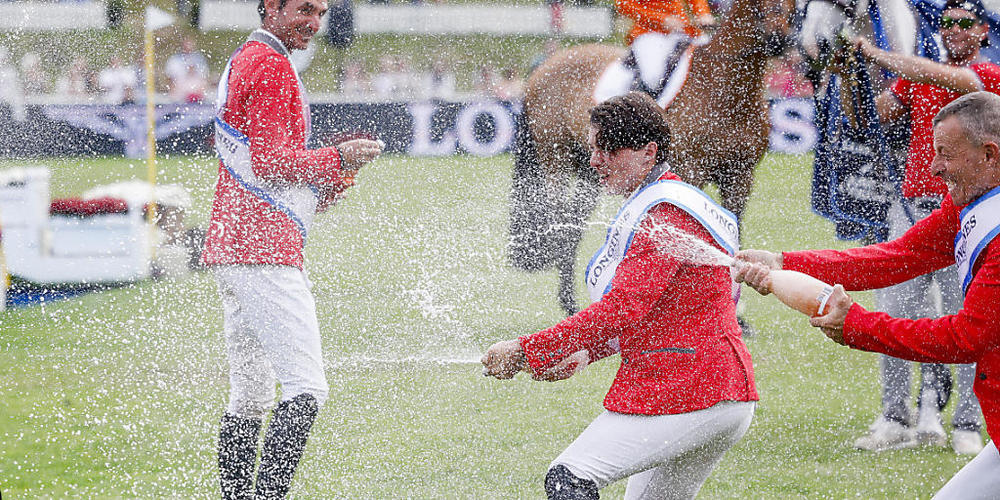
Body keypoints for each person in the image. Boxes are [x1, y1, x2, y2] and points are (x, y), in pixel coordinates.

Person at [482, 92, 757, 500]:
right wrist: (584, 353)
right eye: (593, 147)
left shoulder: (664, 213)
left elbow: (622, 308)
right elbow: (661, 311)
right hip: (718, 389)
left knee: (569, 478)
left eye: (608, 148)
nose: (595, 160)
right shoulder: (672, 201)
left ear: (649, 152)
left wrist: (526, 349)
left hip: (689, 389)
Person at [734, 90, 1000, 499]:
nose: (933, 169)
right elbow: (897, 256)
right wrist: (783, 262)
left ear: (989, 154)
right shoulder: (974, 201)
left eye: (945, 154)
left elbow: (968, 337)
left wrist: (858, 326)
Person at [202, 0, 383, 497]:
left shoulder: (248, 55)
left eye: (322, 12)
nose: (315, 23)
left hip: (235, 244)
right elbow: (271, 165)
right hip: (263, 251)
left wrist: (328, 179)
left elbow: (266, 170)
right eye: (304, 9)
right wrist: (336, 157)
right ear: (271, 6)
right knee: (307, 388)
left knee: (251, 397)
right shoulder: (272, 64)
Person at [836, 0, 998, 454]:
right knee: (897, 306)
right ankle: (893, 416)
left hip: (971, 213)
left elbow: (943, 78)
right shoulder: (920, 74)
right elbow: (871, 116)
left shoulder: (986, 78)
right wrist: (855, 73)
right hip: (911, 206)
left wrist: (877, 53)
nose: (955, 31)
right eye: (947, 22)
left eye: (966, 23)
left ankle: (966, 423)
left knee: (963, 324)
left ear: (984, 32)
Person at [616, 0, 716, 44]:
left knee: (710, 49)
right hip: (648, 33)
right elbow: (623, 5)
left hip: (684, 31)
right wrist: (662, 20)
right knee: (653, 77)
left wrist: (703, 14)